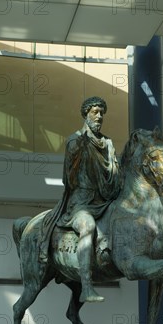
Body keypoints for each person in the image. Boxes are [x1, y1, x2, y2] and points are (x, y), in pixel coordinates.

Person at [39, 96, 121, 302]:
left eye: (102, 112)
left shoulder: (108, 143)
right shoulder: (74, 140)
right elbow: (68, 178)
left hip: (105, 200)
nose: (99, 116)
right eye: (95, 112)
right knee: (88, 225)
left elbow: (115, 175)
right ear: (85, 114)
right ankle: (86, 286)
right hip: (81, 203)